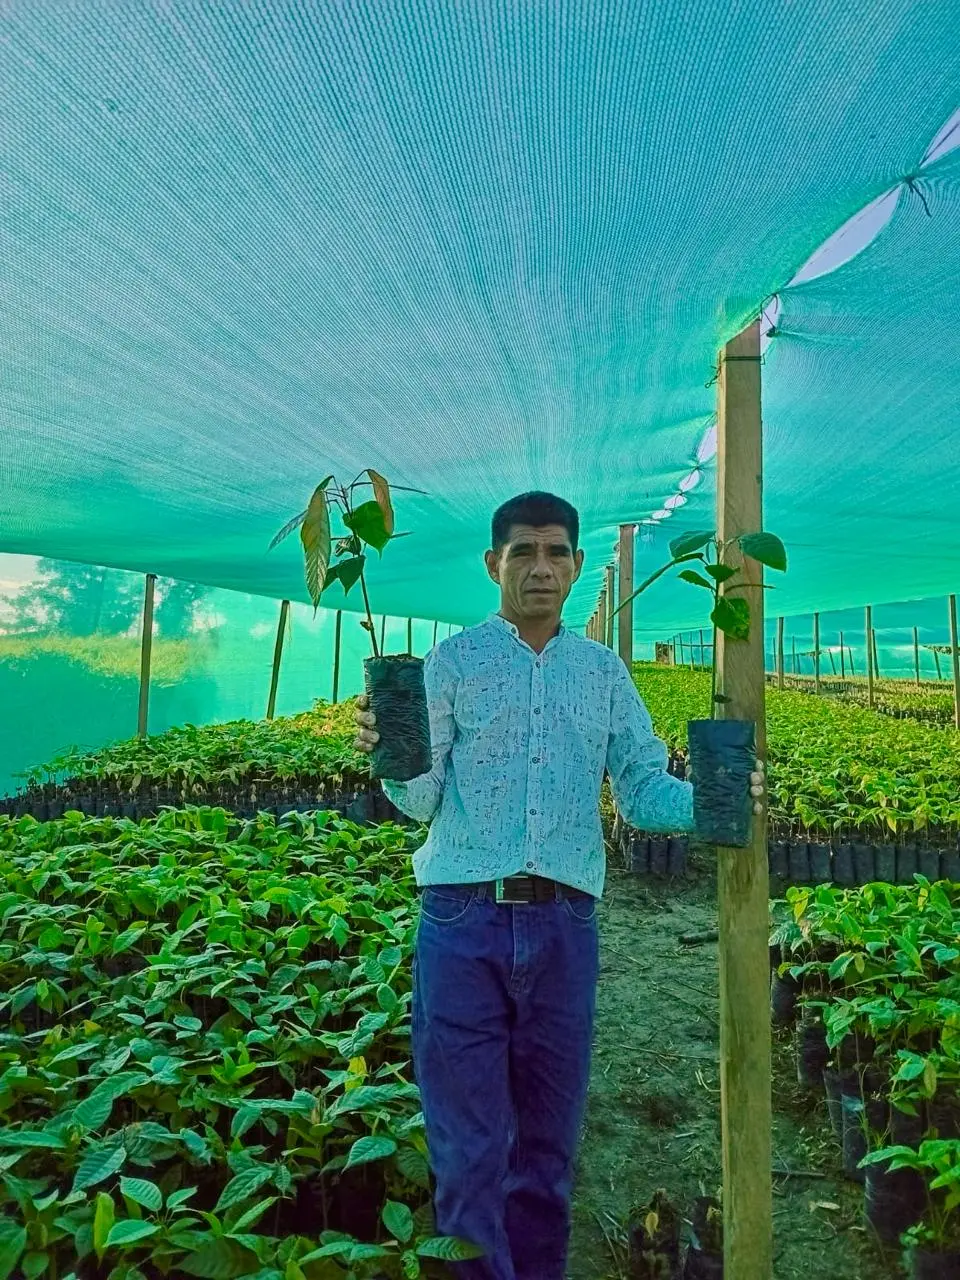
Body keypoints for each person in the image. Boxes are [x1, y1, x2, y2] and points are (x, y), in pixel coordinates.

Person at [354, 491, 764, 1280]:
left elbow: (643, 789)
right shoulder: (452, 663)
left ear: (577, 565)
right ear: (493, 564)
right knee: (468, 1147)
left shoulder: (602, 673)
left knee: (548, 1145)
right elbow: (419, 801)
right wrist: (390, 750)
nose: (540, 568)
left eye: (555, 553)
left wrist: (720, 795)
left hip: (564, 926)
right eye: (522, 553)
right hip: (462, 920)